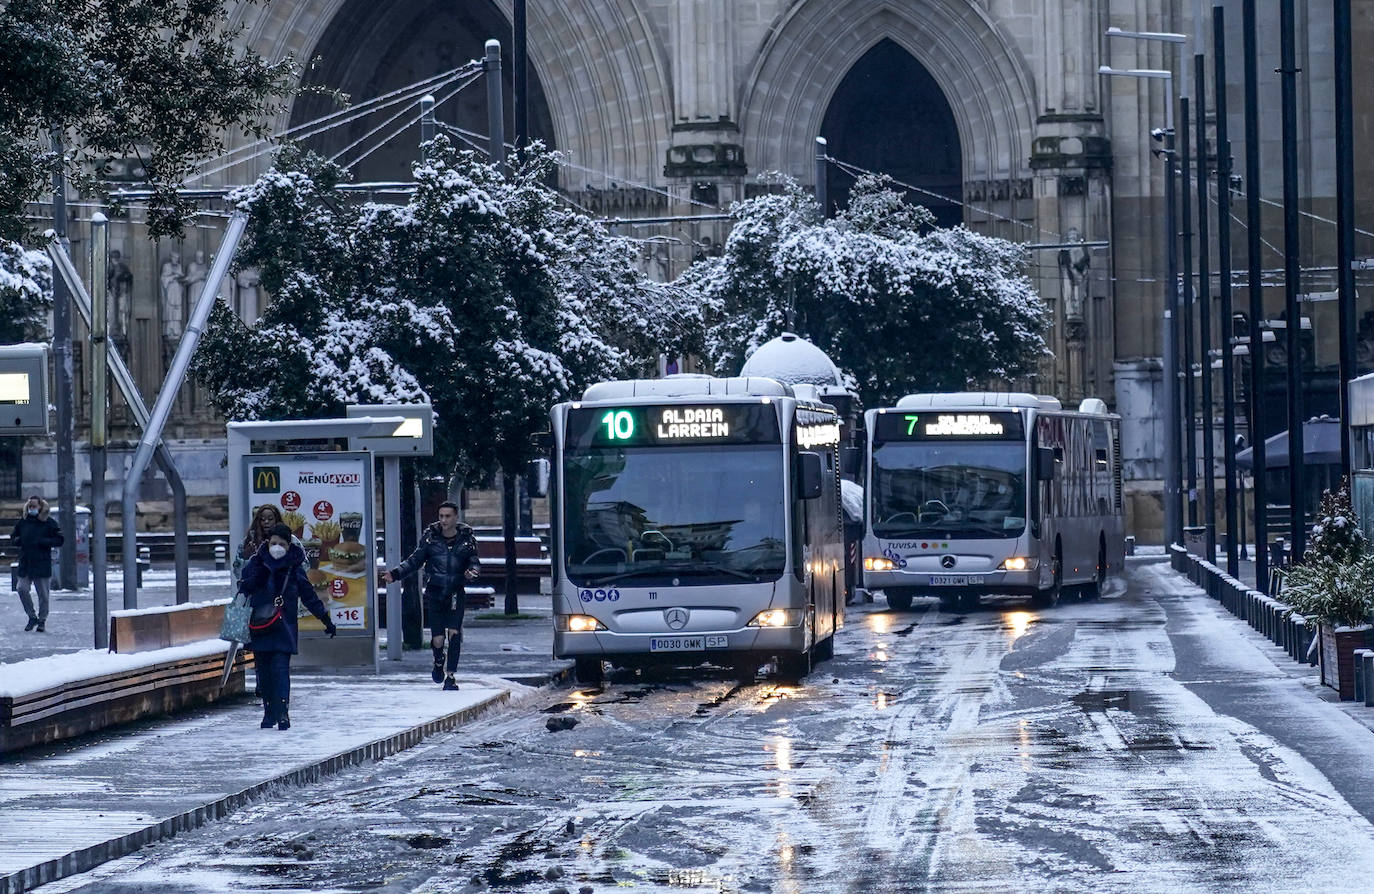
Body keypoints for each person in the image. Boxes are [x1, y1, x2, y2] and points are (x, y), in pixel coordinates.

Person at [238, 523, 336, 730]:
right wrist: (258, 577)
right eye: (274, 543)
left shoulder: (294, 568)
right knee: (263, 672)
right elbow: (243, 586)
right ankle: (268, 713)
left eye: (281, 544)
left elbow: (309, 596)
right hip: (260, 626)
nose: (277, 547)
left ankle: (282, 712)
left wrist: (325, 619)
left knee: (280, 670)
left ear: (289, 546)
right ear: (267, 542)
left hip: (283, 627)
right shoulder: (256, 563)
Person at [382, 501, 480, 690]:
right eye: (441, 516)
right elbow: (414, 560)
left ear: (456, 517)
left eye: (448, 516)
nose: (444, 520)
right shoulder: (430, 539)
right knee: (438, 638)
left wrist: (472, 572)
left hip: (455, 592)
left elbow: (474, 561)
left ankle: (450, 676)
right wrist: (394, 574)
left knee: (454, 634)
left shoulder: (466, 540)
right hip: (435, 592)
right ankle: (438, 662)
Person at [11, 495, 63, 632]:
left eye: (34, 506)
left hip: (41, 563)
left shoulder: (48, 523)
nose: (31, 508)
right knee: (21, 588)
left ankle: (42, 620)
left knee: (43, 595)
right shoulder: (23, 522)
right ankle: (31, 616)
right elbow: (13, 537)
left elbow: (59, 539)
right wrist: (18, 540)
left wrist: (44, 542)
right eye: (30, 506)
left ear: (40, 507)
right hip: (26, 562)